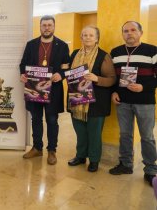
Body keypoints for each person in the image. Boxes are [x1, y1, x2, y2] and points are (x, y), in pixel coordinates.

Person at [109, 21, 157, 186]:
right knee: (125, 135)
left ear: (140, 32)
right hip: (123, 102)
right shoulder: (115, 52)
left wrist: (143, 86)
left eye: (133, 30)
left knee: (147, 137)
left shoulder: (152, 51)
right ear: (122, 34)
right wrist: (114, 91)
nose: (129, 33)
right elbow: (112, 77)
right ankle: (126, 164)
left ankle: (151, 170)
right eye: (126, 31)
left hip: (145, 102)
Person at [19, 15, 70, 165]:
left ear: (54, 27)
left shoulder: (62, 45)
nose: (47, 28)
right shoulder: (31, 45)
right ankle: (37, 148)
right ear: (40, 27)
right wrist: (22, 74)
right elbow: (23, 64)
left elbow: (66, 67)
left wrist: (60, 75)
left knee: (52, 120)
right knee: (36, 119)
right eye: (44, 25)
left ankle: (52, 150)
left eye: (49, 25)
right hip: (34, 89)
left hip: (53, 91)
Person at [66, 26, 116, 172]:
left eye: (91, 35)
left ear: (97, 38)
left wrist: (96, 78)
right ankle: (80, 156)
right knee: (80, 131)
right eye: (84, 35)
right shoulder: (75, 53)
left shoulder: (103, 56)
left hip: (96, 103)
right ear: (81, 37)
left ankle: (94, 160)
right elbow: (68, 71)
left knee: (94, 134)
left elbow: (112, 79)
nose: (87, 37)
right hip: (76, 100)